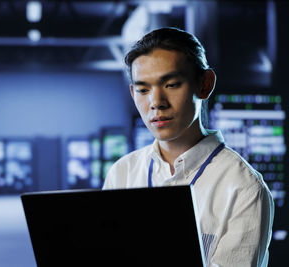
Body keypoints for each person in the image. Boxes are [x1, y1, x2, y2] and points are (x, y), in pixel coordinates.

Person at [102, 27, 274, 267]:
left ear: (205, 84)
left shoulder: (243, 188)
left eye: (171, 84)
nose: (156, 103)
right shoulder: (122, 174)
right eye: (143, 90)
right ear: (133, 94)